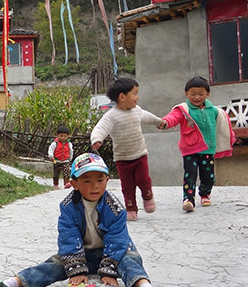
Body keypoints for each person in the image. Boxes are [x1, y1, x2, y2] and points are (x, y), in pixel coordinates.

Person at [0, 152, 163, 287]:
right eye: (87, 181)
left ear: (107, 180)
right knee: (54, 264)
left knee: (130, 261)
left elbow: (117, 240)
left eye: (100, 180)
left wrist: (108, 271)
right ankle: (8, 284)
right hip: (82, 254)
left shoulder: (115, 208)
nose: (95, 186)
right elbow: (69, 238)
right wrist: (76, 269)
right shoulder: (68, 207)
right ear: (75, 183)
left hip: (115, 253)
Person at [90, 77, 166, 221]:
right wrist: (97, 139)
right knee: (127, 186)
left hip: (140, 154)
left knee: (144, 179)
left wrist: (158, 122)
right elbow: (100, 128)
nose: (137, 97)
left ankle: (148, 198)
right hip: (122, 159)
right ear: (122, 96)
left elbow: (148, 117)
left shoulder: (137, 111)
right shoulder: (111, 116)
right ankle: (131, 209)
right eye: (135, 93)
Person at [160, 76, 236, 212]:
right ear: (186, 93)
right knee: (190, 174)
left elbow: (223, 127)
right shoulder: (183, 110)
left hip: (208, 149)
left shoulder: (214, 111)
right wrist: (165, 122)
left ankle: (205, 194)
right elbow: (173, 117)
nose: (197, 97)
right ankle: (188, 199)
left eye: (201, 94)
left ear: (207, 94)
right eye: (193, 94)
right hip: (190, 149)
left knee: (209, 176)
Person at [47, 125, 73, 189]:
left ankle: (66, 184)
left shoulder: (69, 144)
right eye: (61, 136)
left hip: (65, 161)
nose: (63, 138)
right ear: (57, 135)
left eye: (65, 136)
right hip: (56, 160)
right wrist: (51, 156)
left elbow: (71, 151)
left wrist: (70, 158)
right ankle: (55, 184)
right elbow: (51, 150)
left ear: (67, 136)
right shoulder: (54, 143)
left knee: (66, 172)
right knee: (56, 173)